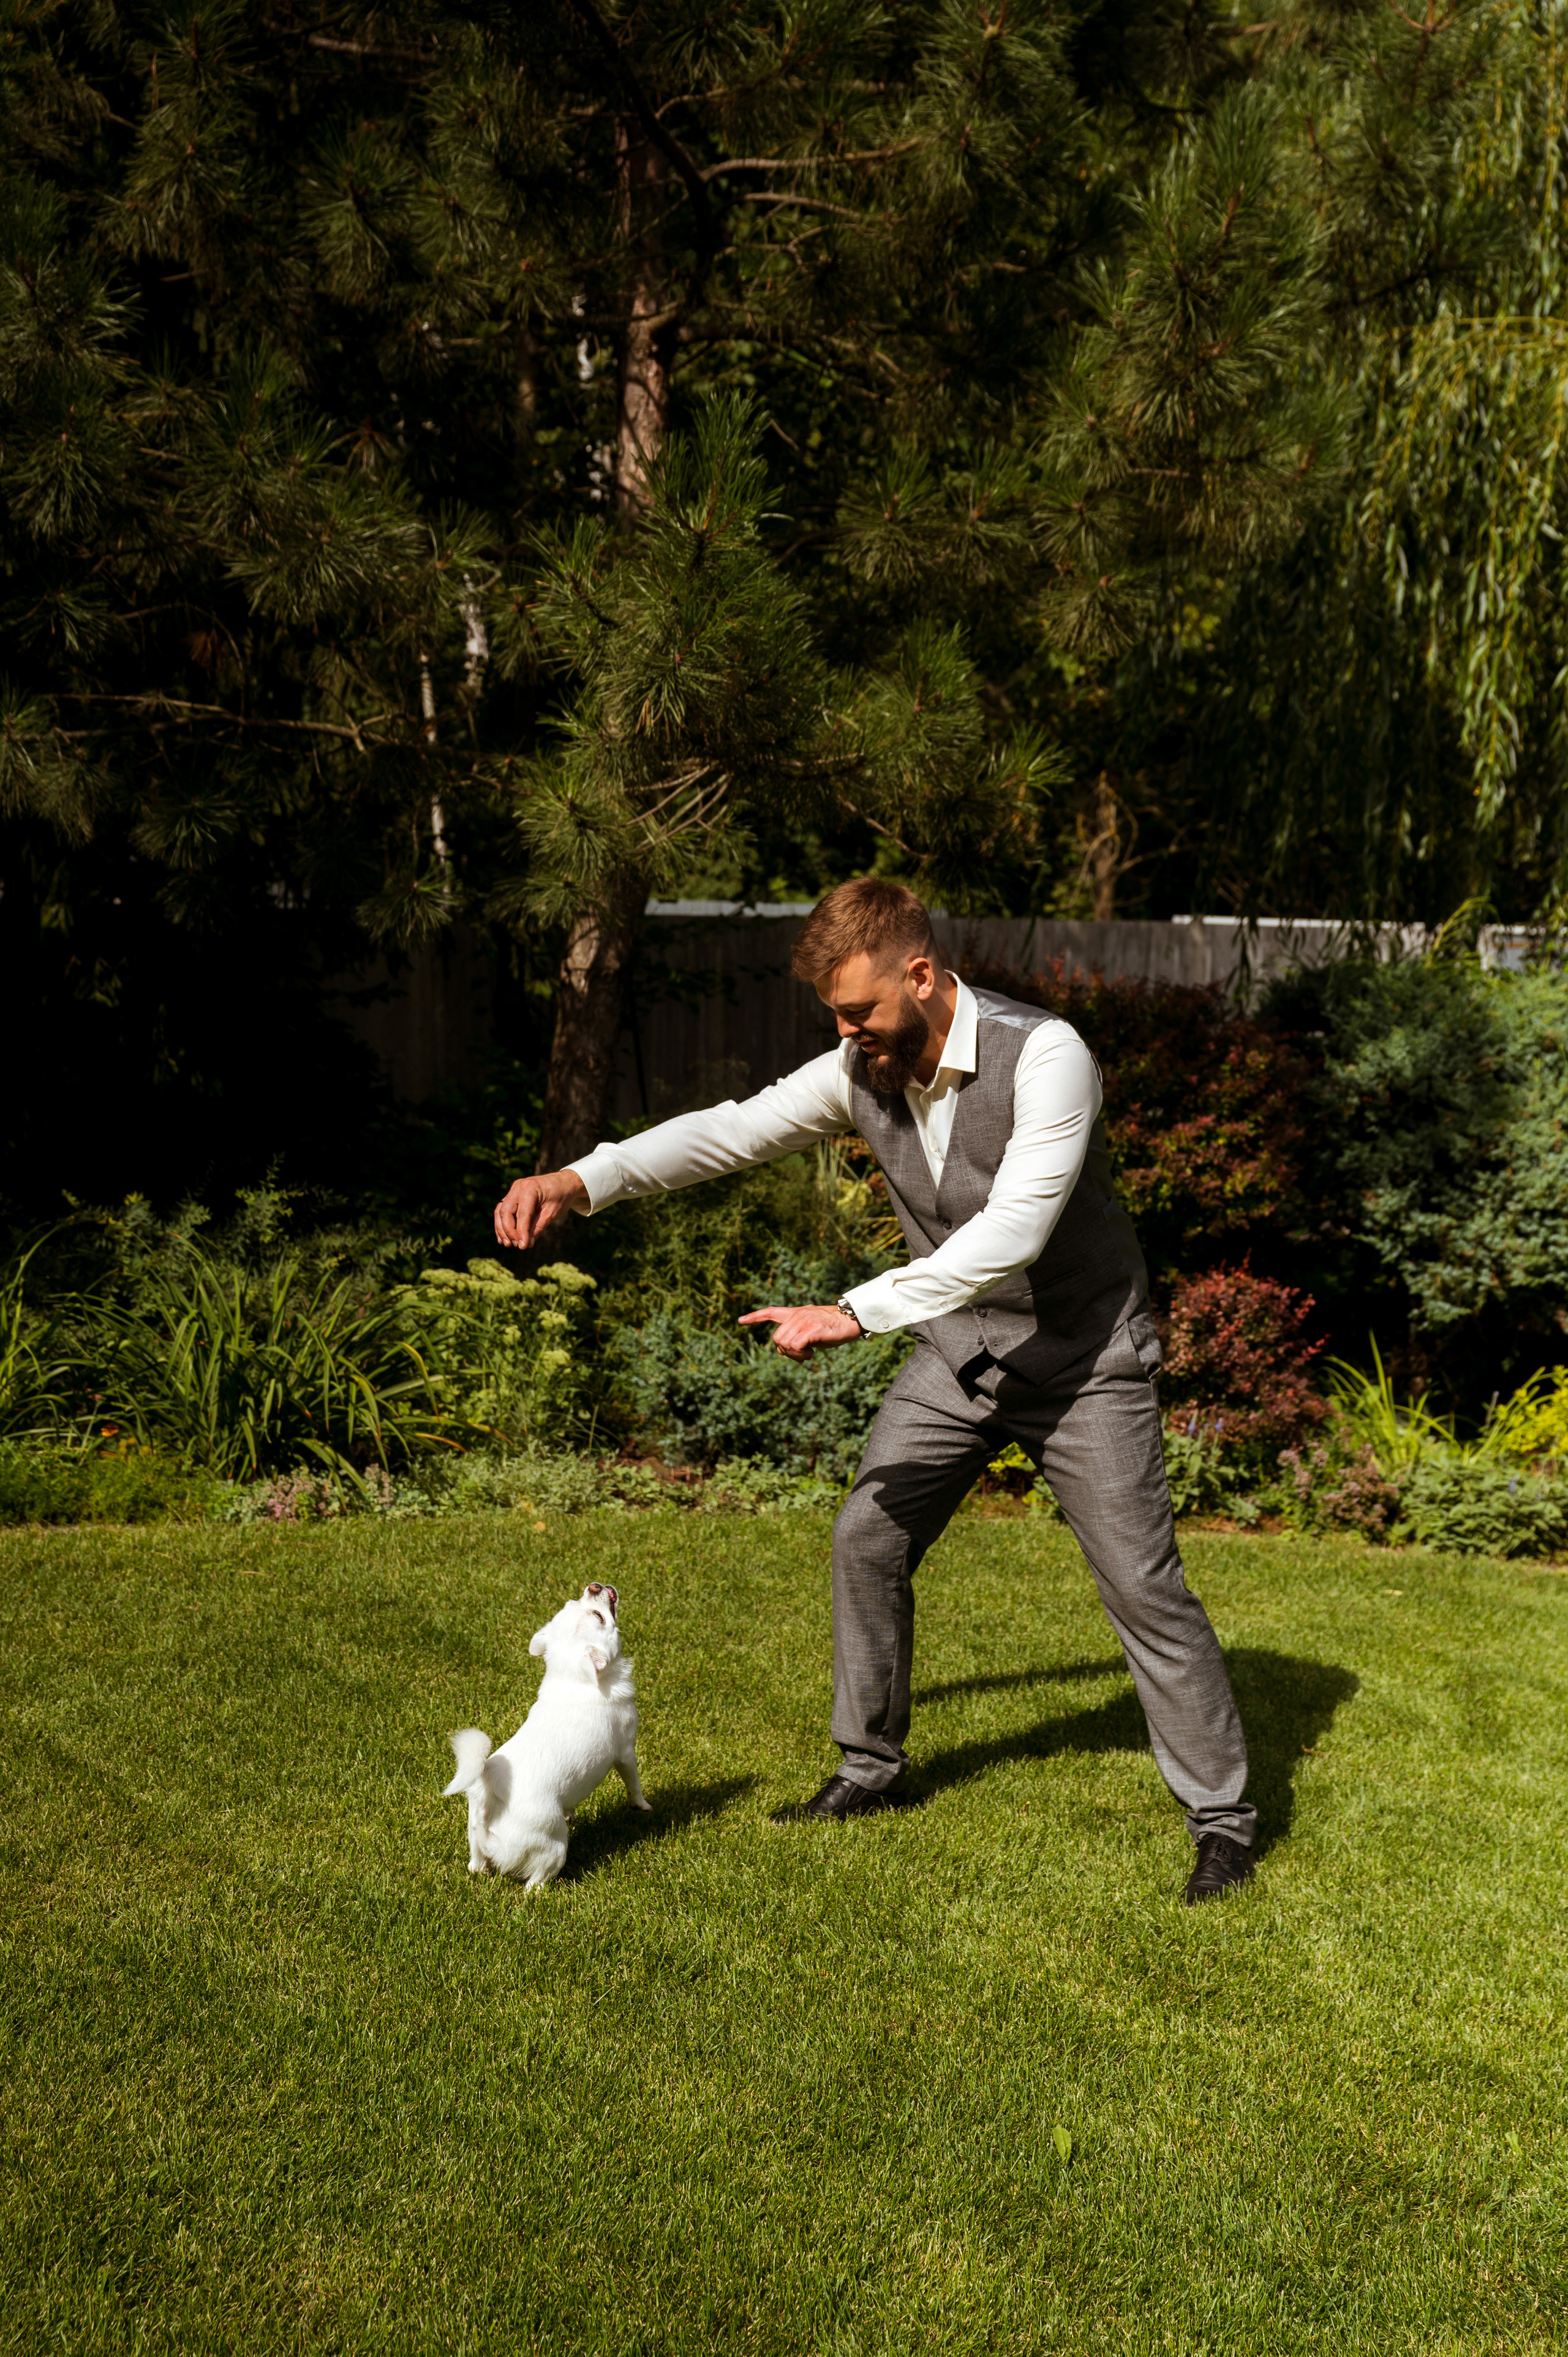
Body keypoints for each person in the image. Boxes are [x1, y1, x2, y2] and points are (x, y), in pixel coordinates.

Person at [496, 878, 1256, 1903]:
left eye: (859, 1011)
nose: (847, 1034)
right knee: (869, 1536)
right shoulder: (862, 1066)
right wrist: (579, 1180)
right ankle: (871, 1766)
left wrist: (855, 1311)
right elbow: (732, 1130)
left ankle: (1223, 1822)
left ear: (922, 975)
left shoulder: (1047, 1056)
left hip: (1083, 1362)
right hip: (962, 1353)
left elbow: (1014, 1233)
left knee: (1142, 1588)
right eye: (837, 1017)